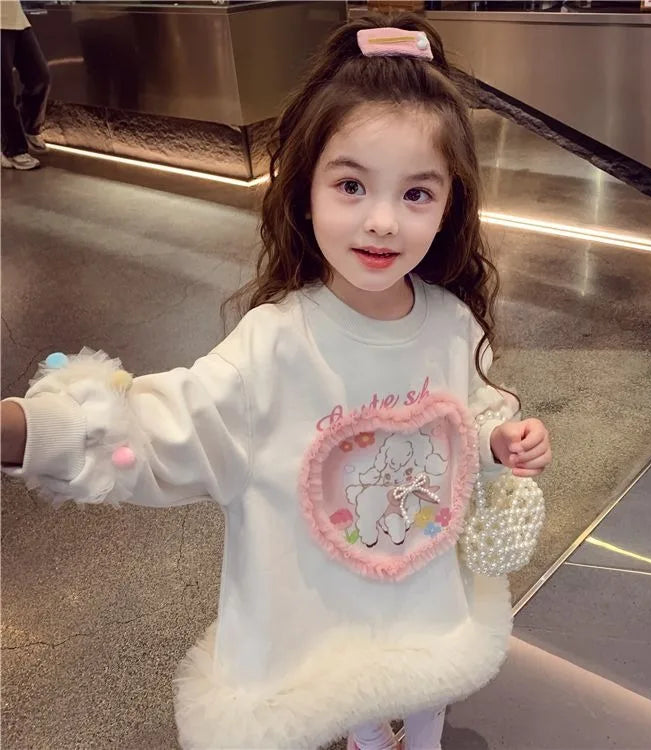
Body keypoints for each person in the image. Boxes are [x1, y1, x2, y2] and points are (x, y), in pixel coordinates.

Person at [0, 13, 551, 750]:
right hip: (323, 604)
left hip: (422, 589)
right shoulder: (274, 345)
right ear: (305, 189)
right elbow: (169, 426)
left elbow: (462, 421)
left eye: (417, 194)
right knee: (351, 693)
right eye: (351, 185)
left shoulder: (452, 323)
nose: (383, 222)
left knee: (427, 692)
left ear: (451, 203)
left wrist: (497, 442)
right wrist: (32, 429)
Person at [1, 0, 50, 170]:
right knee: (4, 89)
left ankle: (29, 128)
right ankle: (12, 149)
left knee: (40, 77)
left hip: (17, 19)